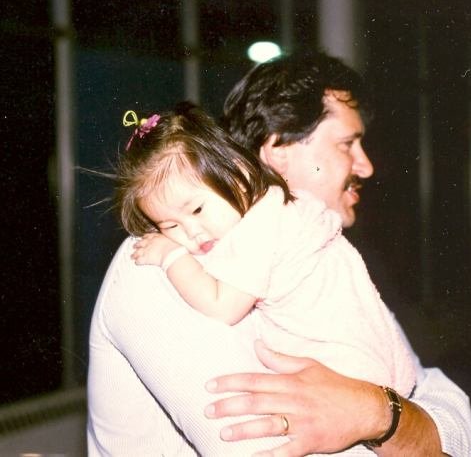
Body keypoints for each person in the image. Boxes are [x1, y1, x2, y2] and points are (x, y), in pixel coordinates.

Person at [87, 53, 471, 456]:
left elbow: (442, 399)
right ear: (278, 150)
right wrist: (393, 420)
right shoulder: (164, 266)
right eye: (347, 143)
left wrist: (378, 413)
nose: (366, 166)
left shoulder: (319, 259)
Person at [123, 103, 416, 401]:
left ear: (238, 175)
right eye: (169, 226)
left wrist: (171, 256)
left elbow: (223, 307)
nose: (191, 232)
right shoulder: (273, 207)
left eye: (197, 209)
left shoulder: (262, 224)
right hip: (370, 369)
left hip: (347, 368)